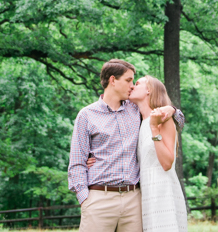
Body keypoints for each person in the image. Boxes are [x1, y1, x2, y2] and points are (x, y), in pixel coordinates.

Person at [68, 59, 184, 232]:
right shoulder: (86, 115)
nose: (131, 85)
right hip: (99, 198)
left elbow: (177, 121)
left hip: (133, 199)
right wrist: (86, 198)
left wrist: (172, 109)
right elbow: (76, 163)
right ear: (113, 80)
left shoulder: (135, 109)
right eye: (129, 80)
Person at [128, 75, 188, 231]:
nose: (133, 86)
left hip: (163, 191)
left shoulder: (164, 120)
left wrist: (155, 129)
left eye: (137, 83)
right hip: (145, 192)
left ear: (149, 90)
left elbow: (168, 163)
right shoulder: (137, 122)